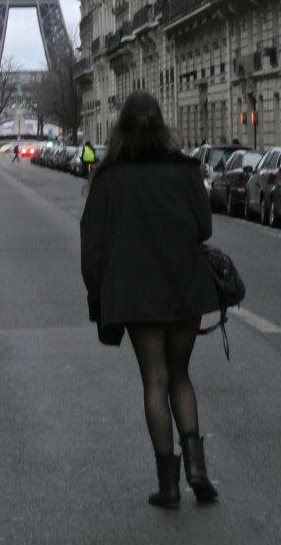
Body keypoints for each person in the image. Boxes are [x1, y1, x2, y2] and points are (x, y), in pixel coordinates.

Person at [80, 91, 220, 510]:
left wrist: (98, 296)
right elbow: (205, 227)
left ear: (120, 128)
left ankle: (169, 485)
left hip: (138, 297)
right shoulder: (185, 170)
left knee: (154, 380)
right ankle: (198, 472)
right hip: (184, 290)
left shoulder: (108, 179)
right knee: (181, 376)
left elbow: (93, 248)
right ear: (162, 125)